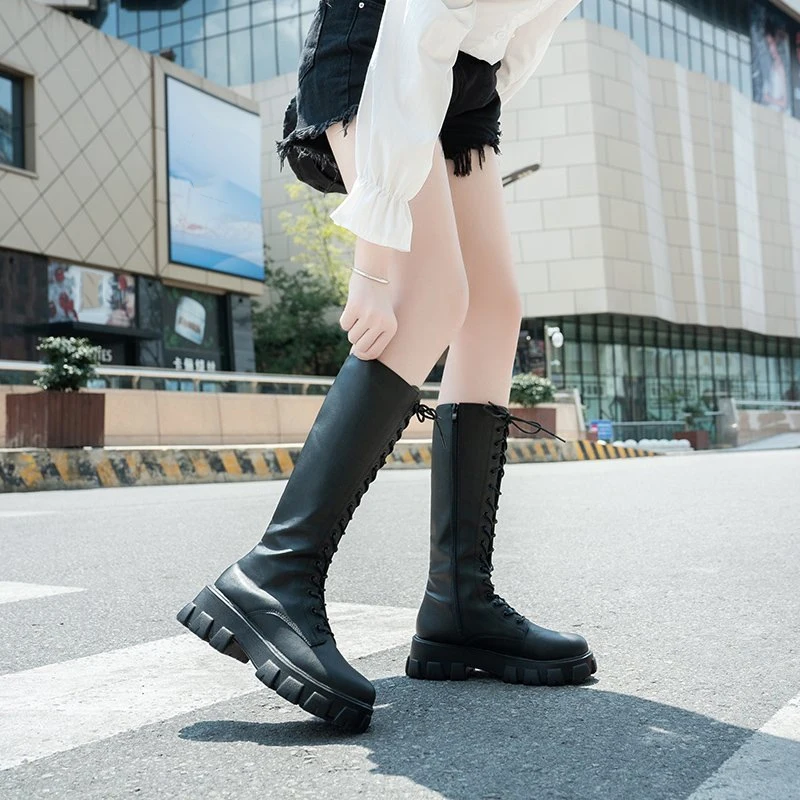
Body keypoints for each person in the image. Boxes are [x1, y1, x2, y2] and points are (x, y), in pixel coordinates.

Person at [177, 0, 596, 734]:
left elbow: (520, 27)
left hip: (462, 76)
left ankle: (459, 603)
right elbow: (412, 32)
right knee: (430, 297)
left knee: (493, 310)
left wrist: (483, 84)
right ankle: (276, 571)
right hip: (381, 51)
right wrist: (372, 264)